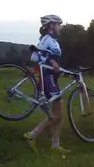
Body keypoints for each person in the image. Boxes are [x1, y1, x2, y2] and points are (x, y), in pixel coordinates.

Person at [23, 14, 70, 156]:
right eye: (59, 24)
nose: (61, 27)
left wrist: (59, 68)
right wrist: (51, 62)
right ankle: (32, 135)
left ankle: (55, 146)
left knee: (58, 115)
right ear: (51, 25)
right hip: (46, 77)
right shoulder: (46, 39)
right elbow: (36, 56)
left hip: (51, 78)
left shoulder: (54, 42)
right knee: (58, 114)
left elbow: (51, 57)